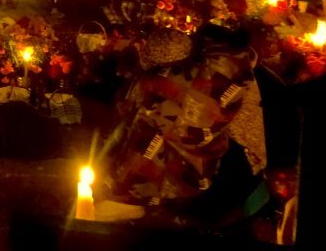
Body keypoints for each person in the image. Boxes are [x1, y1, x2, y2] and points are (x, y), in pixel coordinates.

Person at [103, 25, 267, 227]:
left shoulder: (161, 91)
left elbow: (143, 153)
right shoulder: (232, 73)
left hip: (206, 197)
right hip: (242, 182)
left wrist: (119, 196)